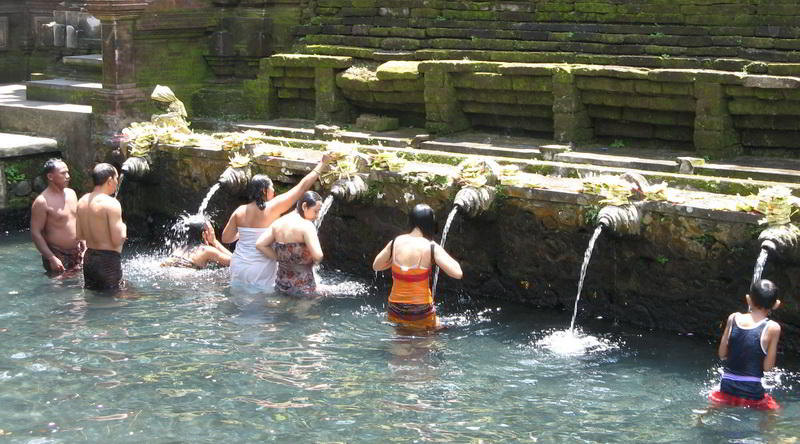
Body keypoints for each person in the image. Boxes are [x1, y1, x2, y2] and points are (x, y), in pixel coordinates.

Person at [222, 153, 331, 291]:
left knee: (241, 302)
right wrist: (322, 164)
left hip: (238, 264)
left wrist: (245, 234)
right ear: (264, 190)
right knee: (260, 307)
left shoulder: (239, 211)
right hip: (261, 266)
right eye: (272, 187)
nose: (274, 191)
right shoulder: (273, 207)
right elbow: (302, 188)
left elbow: (226, 238)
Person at [372, 204, 463, 331]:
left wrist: (392, 262)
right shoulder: (431, 247)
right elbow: (457, 273)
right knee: (430, 338)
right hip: (420, 310)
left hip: (395, 308)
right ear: (430, 224)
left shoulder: (395, 242)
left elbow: (376, 266)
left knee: (401, 337)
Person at [709, 279, 782, 410]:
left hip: (726, 386)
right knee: (774, 411)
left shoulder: (733, 318)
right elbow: (767, 367)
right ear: (776, 304)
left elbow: (722, 354)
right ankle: (768, 430)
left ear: (748, 299)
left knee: (716, 407)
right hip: (751, 391)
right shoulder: (773, 328)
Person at [255, 191, 324, 296]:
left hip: (281, 283)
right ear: (304, 206)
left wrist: (280, 258)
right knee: (306, 313)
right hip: (303, 285)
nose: (317, 216)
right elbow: (318, 256)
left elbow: (260, 244)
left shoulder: (278, 222)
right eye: (316, 211)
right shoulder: (306, 226)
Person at [76, 163, 127, 291]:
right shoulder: (111, 203)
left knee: (93, 299)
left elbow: (79, 235)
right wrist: (124, 227)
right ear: (109, 180)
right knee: (112, 302)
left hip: (89, 260)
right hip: (107, 261)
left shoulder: (82, 201)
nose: (117, 182)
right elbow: (118, 239)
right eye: (116, 178)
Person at [30, 158, 85, 275]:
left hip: (78, 251)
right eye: (63, 173)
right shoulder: (42, 201)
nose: (68, 176)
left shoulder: (72, 193)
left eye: (68, 172)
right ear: (50, 177)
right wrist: (51, 258)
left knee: (79, 287)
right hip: (57, 255)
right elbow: (36, 232)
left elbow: (78, 220)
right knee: (60, 290)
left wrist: (84, 243)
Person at [162, 216, 231, 269]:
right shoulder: (206, 250)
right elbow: (236, 261)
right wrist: (215, 242)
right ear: (203, 234)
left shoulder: (180, 247)